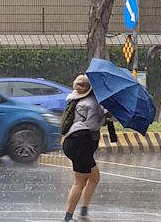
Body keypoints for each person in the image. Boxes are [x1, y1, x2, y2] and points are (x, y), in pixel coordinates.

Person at [62, 74, 104, 222]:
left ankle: (84, 211)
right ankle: (68, 217)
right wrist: (103, 118)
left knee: (94, 176)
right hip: (81, 144)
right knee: (79, 182)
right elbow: (92, 126)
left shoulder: (75, 99)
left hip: (71, 142)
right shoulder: (92, 103)